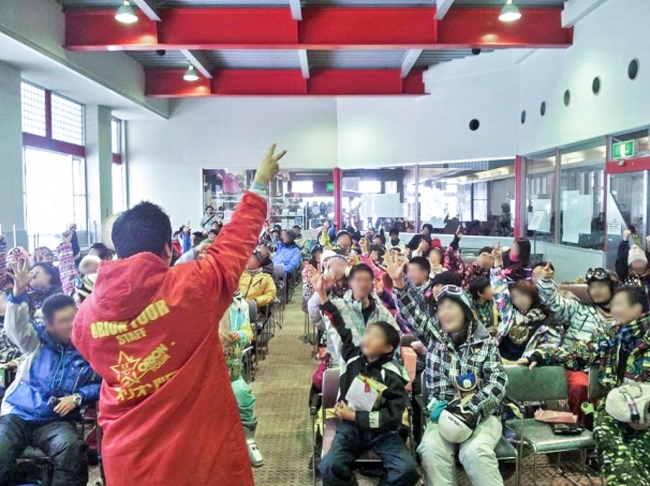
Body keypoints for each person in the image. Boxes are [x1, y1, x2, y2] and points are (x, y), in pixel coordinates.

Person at [71, 144, 286, 486]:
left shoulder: (85, 317)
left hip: (129, 457)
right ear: (170, 249)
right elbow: (232, 245)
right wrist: (259, 185)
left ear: (118, 249)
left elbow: (93, 355)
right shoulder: (194, 287)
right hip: (199, 451)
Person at [386, 253, 507, 486]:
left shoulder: (486, 343)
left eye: (451, 307)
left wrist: (471, 409)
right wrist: (400, 283)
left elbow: (498, 383)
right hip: (444, 416)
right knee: (430, 450)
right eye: (441, 309)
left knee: (475, 453)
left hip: (482, 416)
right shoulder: (436, 338)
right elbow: (414, 314)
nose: (444, 313)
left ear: (466, 312)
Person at [520, 285, 650, 485]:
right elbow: (581, 353)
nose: (613, 310)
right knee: (610, 444)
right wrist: (541, 355)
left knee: (640, 454)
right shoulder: (613, 335)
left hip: (646, 411)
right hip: (615, 408)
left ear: (638, 308)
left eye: (618, 305)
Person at [313, 271, 419, 486]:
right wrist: (321, 293)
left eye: (375, 337)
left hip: (384, 433)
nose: (367, 338)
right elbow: (337, 323)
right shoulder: (352, 356)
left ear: (389, 347)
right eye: (367, 334)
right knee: (329, 466)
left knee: (407, 471)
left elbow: (392, 416)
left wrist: (355, 416)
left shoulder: (393, 374)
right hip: (350, 431)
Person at [0, 259, 100, 486]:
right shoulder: (34, 342)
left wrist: (77, 397)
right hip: (18, 415)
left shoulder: (88, 347)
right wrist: (18, 291)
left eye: (74, 317)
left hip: (57, 422)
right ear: (48, 324)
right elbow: (15, 327)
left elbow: (102, 383)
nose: (72, 325)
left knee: (73, 449)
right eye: (64, 321)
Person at [536, 263, 618, 418]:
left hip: (607, 369)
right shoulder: (579, 310)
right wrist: (546, 281)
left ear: (612, 289)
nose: (596, 291)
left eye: (601, 286)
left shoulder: (621, 316)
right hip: (575, 366)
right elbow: (553, 304)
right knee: (581, 386)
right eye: (592, 287)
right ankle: (577, 428)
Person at [318, 264, 399, 366]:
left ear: (372, 283)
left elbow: (394, 337)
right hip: (340, 366)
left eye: (367, 280)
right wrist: (321, 291)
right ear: (350, 282)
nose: (363, 284)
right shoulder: (338, 306)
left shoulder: (381, 311)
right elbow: (315, 314)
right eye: (358, 280)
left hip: (374, 367)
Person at [490, 248, 559, 362]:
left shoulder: (544, 318)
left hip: (526, 364)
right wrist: (497, 263)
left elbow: (550, 346)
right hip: (501, 359)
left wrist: (546, 280)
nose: (519, 300)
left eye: (523, 295)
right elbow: (500, 291)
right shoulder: (510, 313)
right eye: (515, 297)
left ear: (532, 295)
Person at [219, 291, 263, 467]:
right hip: (207, 373)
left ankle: (248, 440)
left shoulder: (238, 306)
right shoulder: (199, 306)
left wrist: (241, 335)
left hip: (232, 371)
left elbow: (248, 331)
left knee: (243, 394)